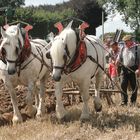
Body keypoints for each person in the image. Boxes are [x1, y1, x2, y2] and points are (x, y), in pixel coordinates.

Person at [116, 35, 140, 106]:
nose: (125, 43)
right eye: (124, 42)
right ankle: (124, 101)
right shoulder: (123, 48)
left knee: (134, 86)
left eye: (126, 42)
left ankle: (133, 102)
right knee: (123, 85)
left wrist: (139, 70)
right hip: (124, 69)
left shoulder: (137, 48)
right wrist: (117, 61)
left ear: (130, 41)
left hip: (134, 69)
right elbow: (119, 57)